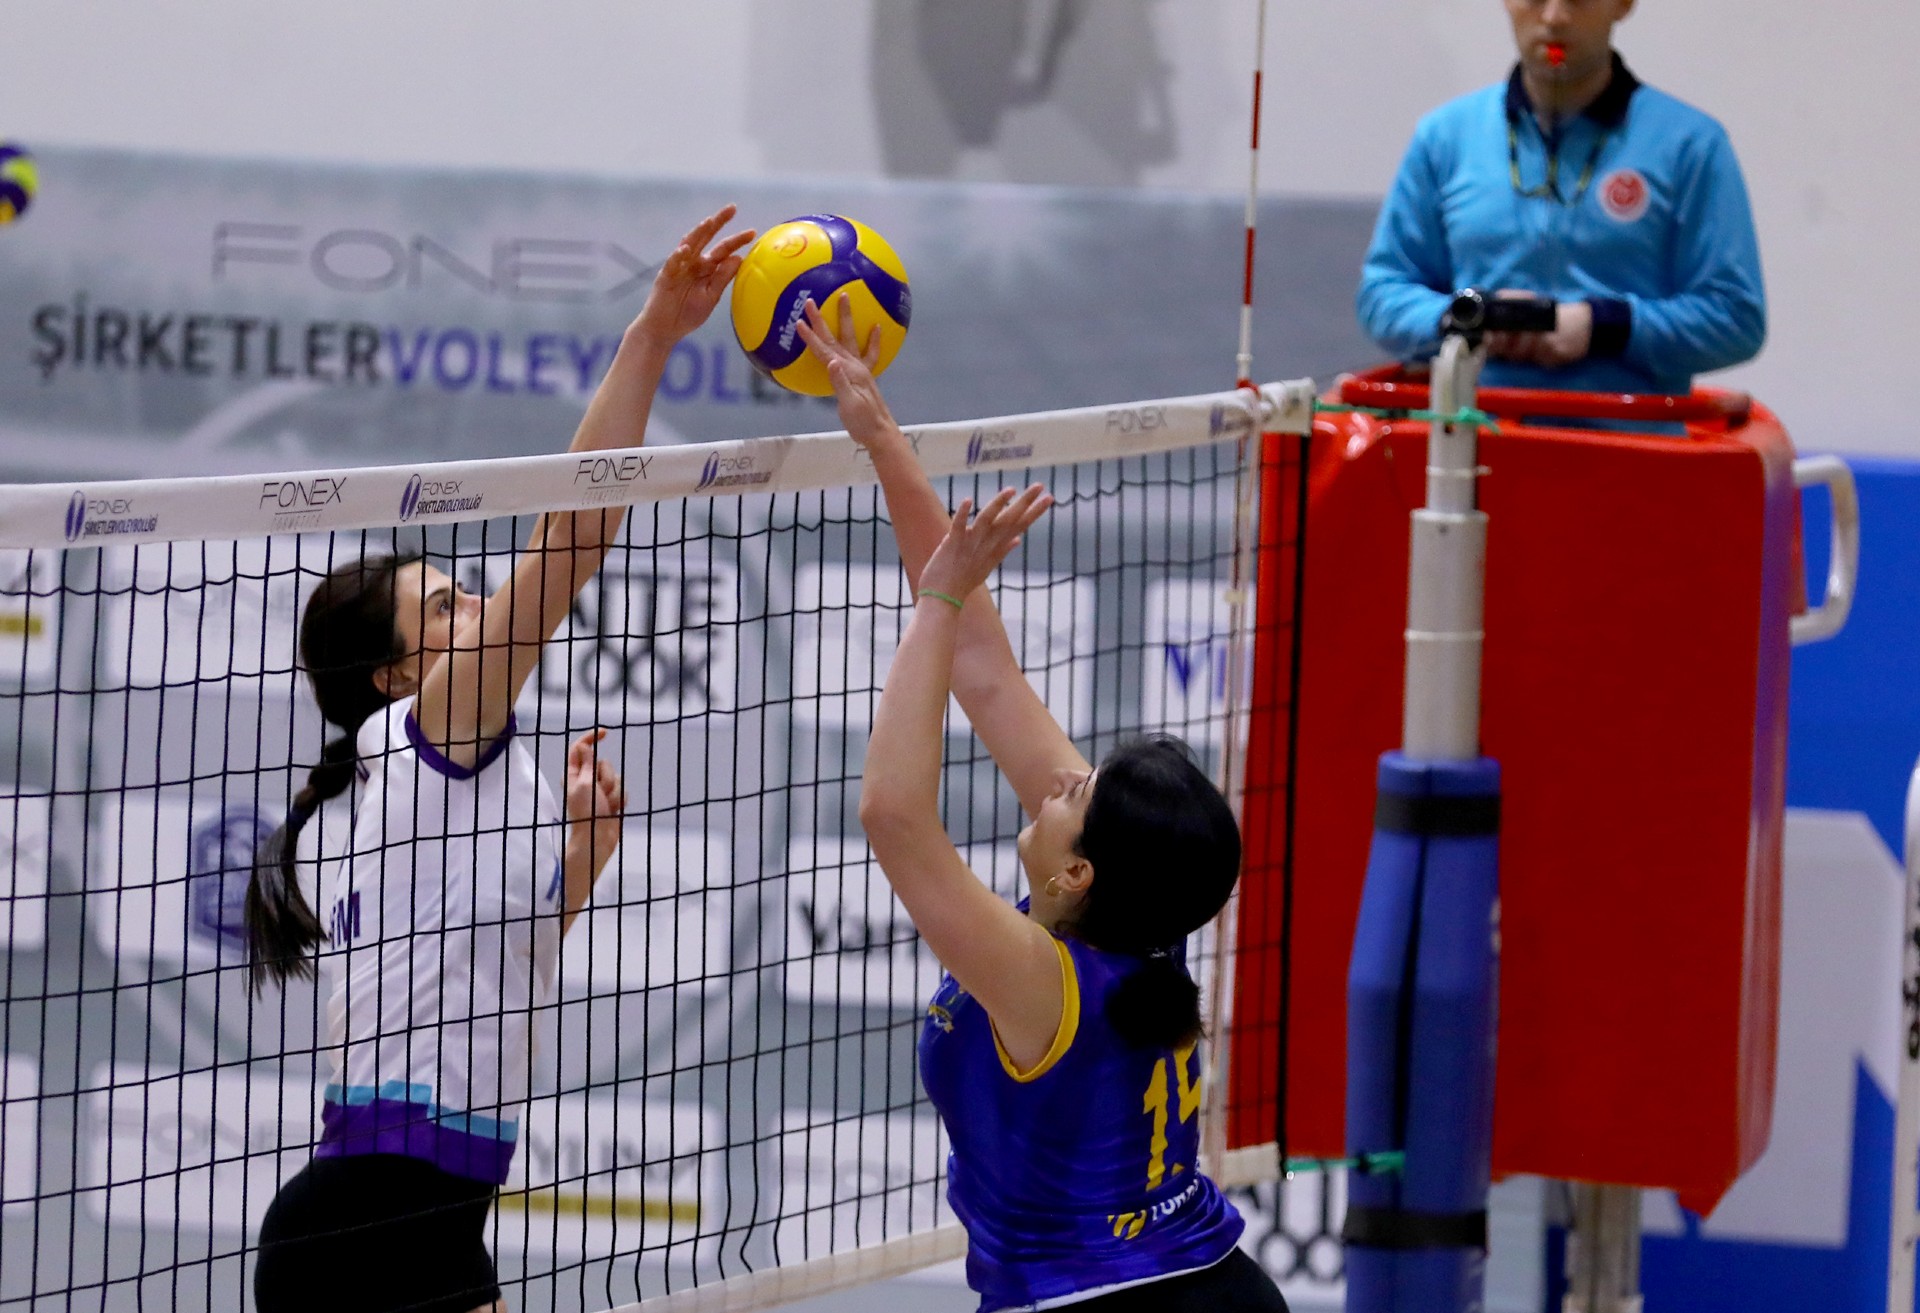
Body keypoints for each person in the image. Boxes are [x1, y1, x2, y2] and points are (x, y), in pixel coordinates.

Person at [243, 206, 755, 1313]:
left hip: (428, 1219)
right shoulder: (422, 741)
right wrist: (651, 338)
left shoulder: (437, 777)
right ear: (397, 674)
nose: (474, 605)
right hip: (368, 1228)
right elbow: (572, 538)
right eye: (444, 606)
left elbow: (485, 959)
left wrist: (581, 862)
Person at [799, 297, 1288, 1312]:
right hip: (1207, 1286)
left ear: (1078, 870)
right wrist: (884, 441)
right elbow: (985, 672)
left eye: (1080, 792)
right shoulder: (1138, 911)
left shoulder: (1044, 976)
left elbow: (893, 813)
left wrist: (938, 599)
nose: (1061, 776)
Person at [1357, 0, 1766, 397]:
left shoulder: (1691, 146)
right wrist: (1470, 317)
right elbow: (1382, 295)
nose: (1554, 17)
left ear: (1623, 4)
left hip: (1630, 438)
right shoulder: (1444, 137)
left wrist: (1603, 326)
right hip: (1475, 434)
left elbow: (1736, 317)